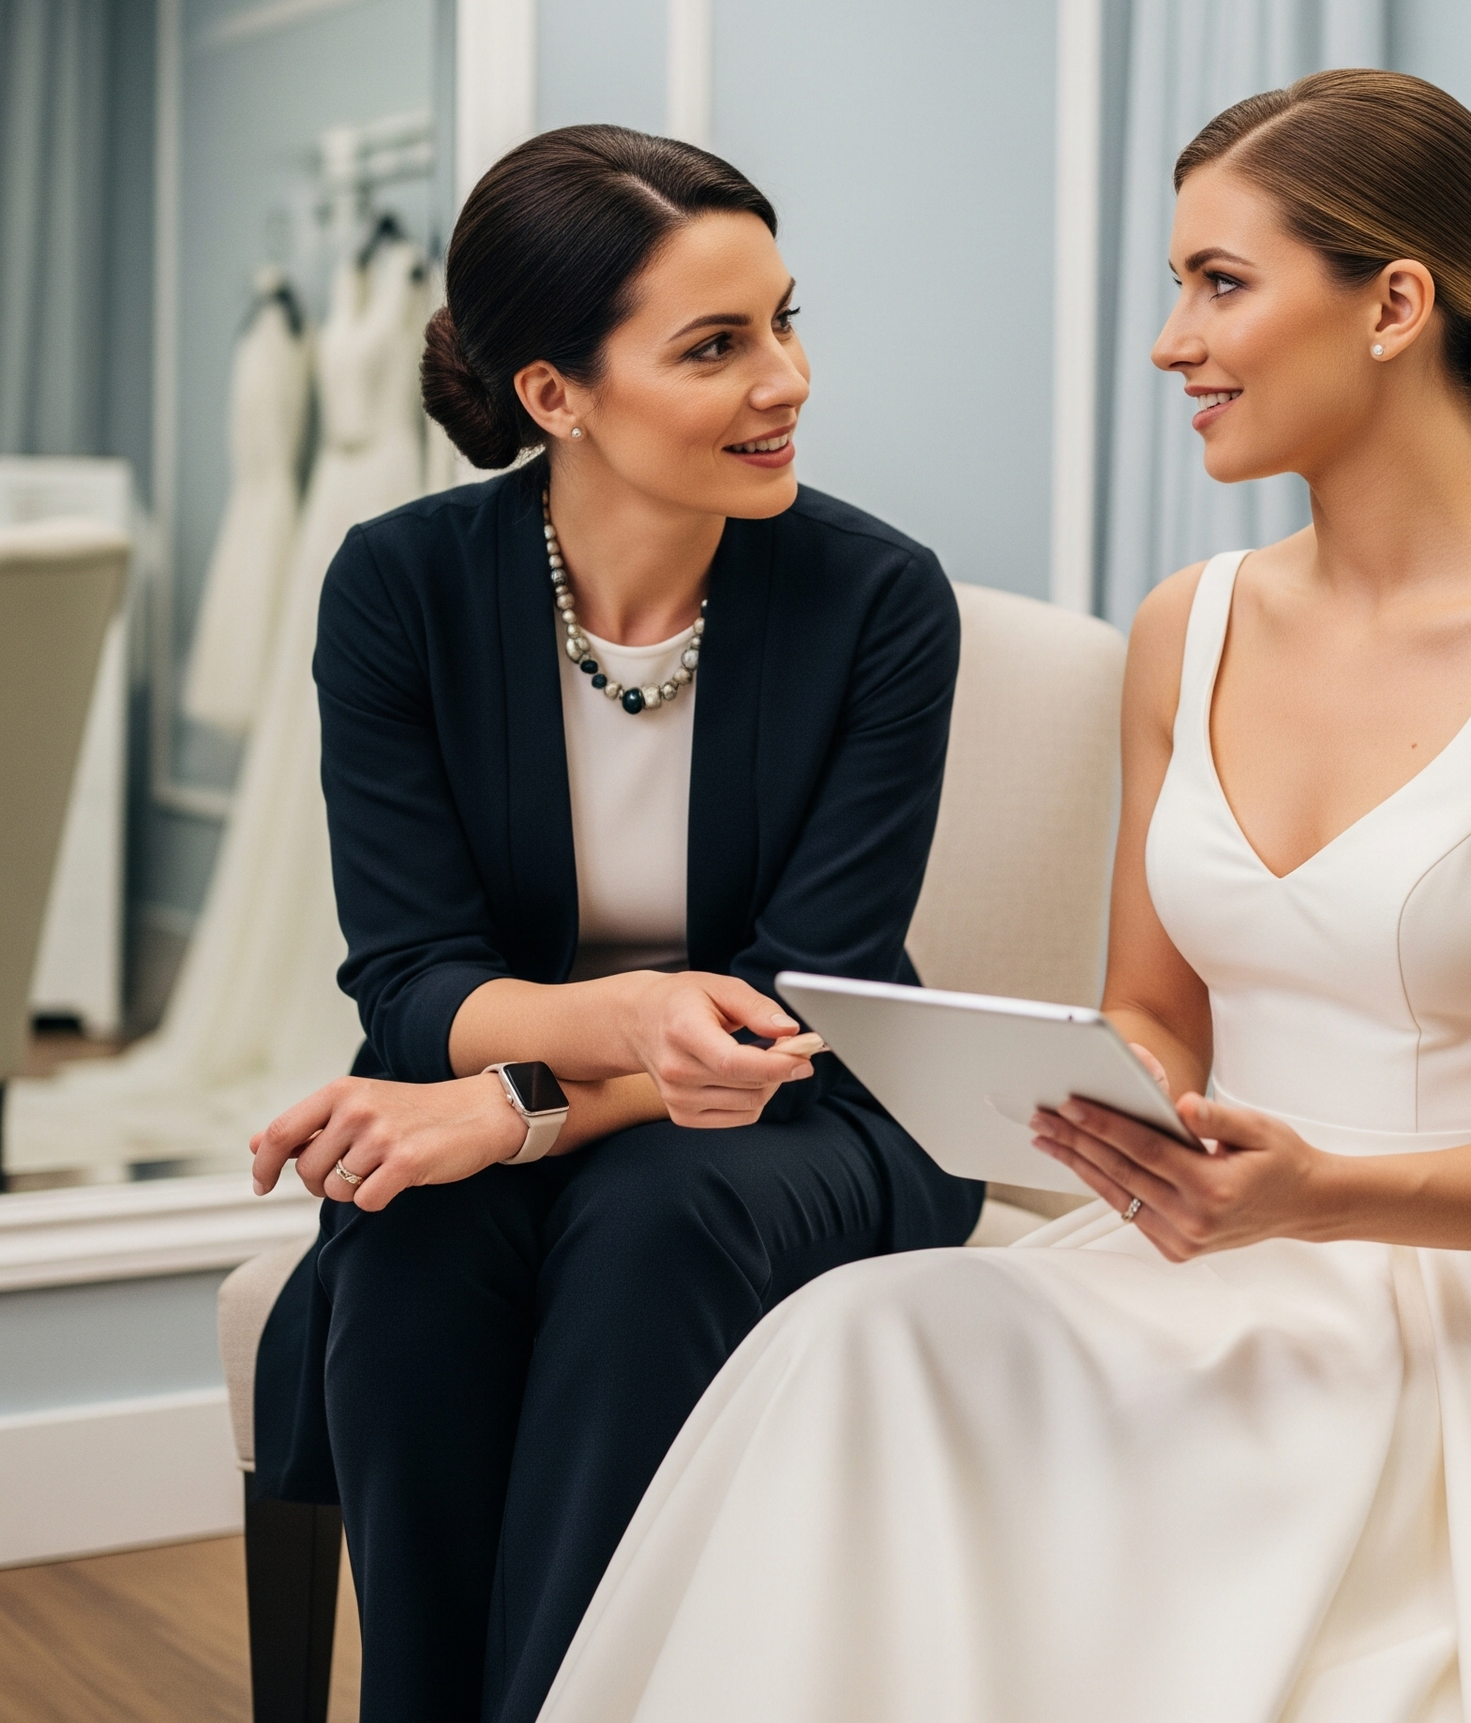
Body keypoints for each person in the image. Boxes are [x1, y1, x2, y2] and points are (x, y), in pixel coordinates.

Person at [539, 75, 1471, 1723]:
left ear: (1395, 303)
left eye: (1220, 283)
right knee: (859, 1346)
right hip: (1208, 1262)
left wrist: (1322, 1189)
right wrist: (1040, 1088)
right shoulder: (1186, 625)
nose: (1170, 344)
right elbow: (1156, 1017)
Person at [245, 126, 983, 1723]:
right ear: (552, 395)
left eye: (787, 320)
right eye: (715, 345)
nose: (783, 380)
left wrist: (511, 1113)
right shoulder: (398, 591)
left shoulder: (879, 600)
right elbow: (411, 976)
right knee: (407, 1238)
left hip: (817, 1111)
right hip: (552, 1091)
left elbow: (805, 997)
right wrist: (592, 1045)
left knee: (656, 1214)